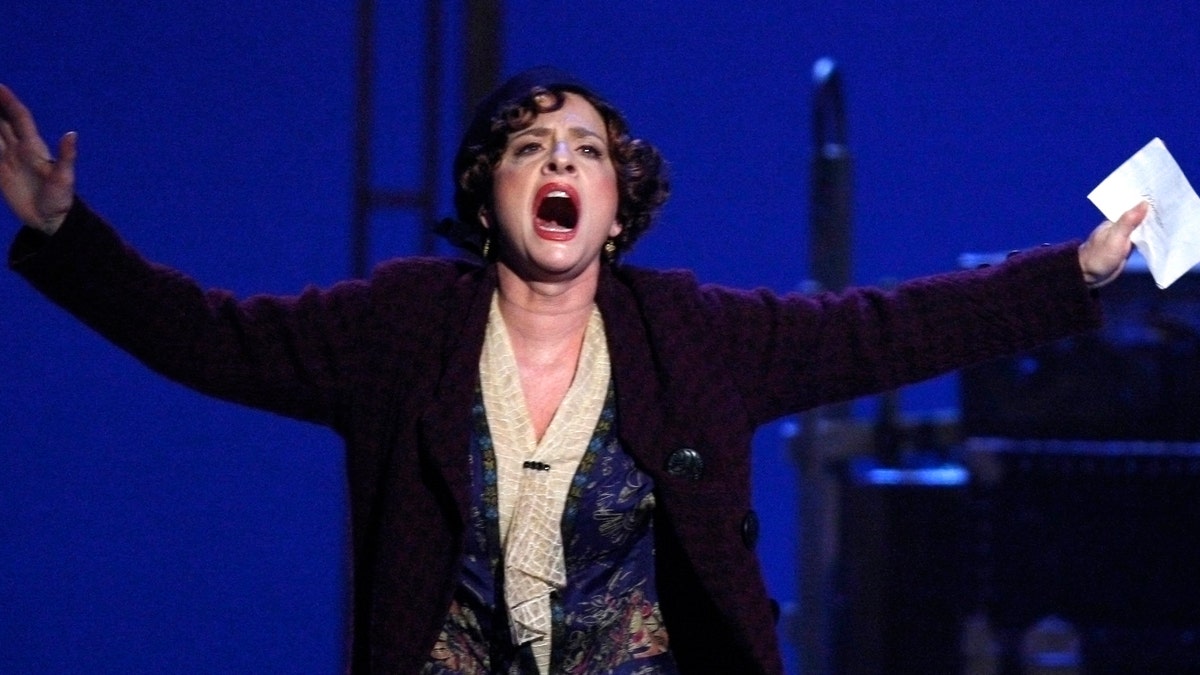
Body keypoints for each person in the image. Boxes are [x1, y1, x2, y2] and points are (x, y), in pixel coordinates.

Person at [1, 66, 1146, 674]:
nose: (558, 159)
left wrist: (1075, 272)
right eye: (528, 145)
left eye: (586, 149)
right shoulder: (403, 328)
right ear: (489, 194)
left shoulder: (691, 335)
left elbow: (886, 327)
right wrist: (66, 237)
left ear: (614, 209)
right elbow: (209, 334)